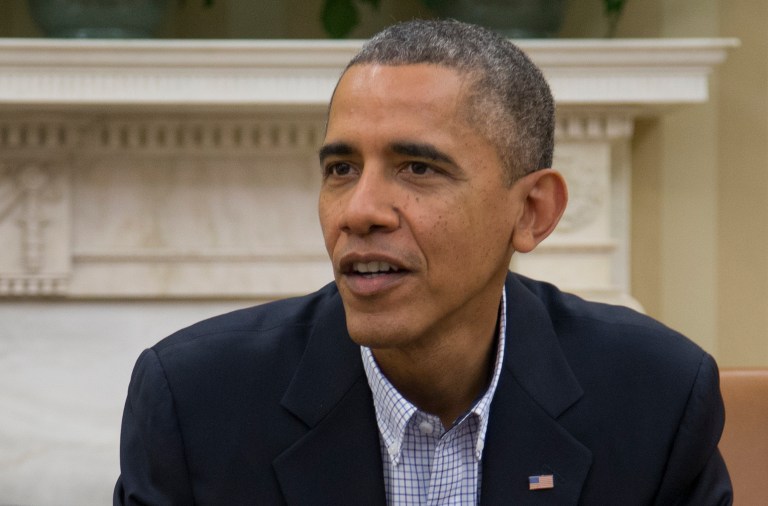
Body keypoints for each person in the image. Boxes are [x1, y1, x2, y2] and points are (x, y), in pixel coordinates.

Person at [114, 19, 732, 505]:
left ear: (532, 211)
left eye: (418, 168)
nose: (359, 211)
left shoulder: (657, 398)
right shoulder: (195, 402)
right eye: (341, 169)